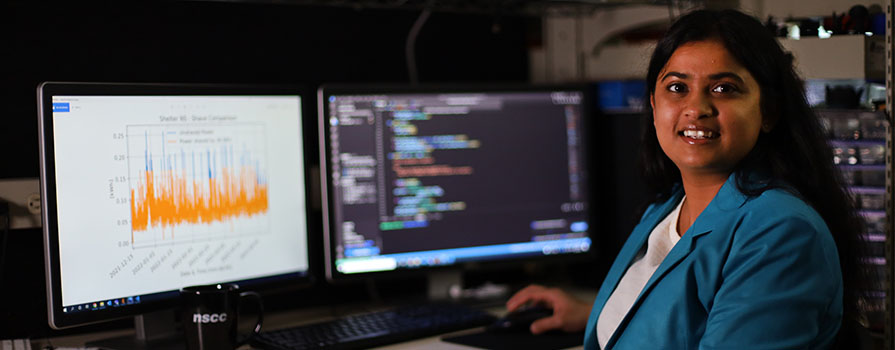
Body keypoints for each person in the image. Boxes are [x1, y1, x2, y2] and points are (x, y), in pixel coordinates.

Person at [507, 9, 867, 349]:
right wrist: (594, 315)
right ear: (653, 103)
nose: (697, 108)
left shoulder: (780, 232)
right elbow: (682, 315)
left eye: (724, 88)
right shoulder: (666, 210)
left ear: (768, 112)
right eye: (677, 88)